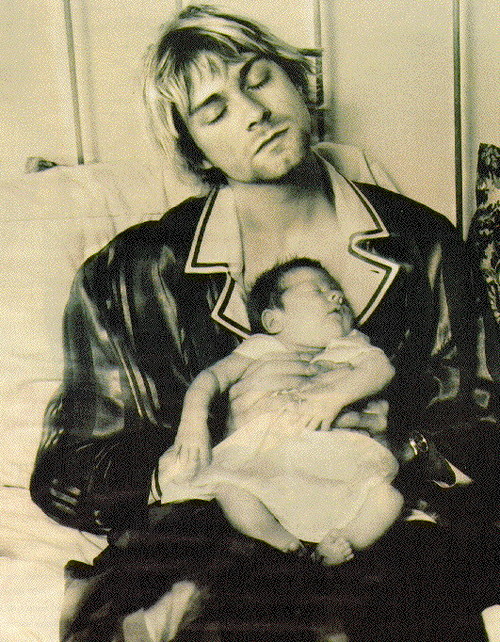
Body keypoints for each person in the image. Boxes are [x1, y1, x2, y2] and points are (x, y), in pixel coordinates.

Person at [29, 5, 498, 640]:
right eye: (214, 111)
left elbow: (484, 414)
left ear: (298, 84)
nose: (254, 112)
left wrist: (403, 446)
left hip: (377, 525)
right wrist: (216, 447)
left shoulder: (423, 242)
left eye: (259, 79)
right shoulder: (129, 272)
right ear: (192, 147)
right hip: (213, 534)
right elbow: (70, 468)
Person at [161, 257, 403, 564]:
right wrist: (193, 420)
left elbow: (381, 369)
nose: (336, 296)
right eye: (318, 290)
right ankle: (279, 539)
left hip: (339, 466)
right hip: (269, 462)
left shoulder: (353, 346)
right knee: (232, 492)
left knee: (388, 499)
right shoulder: (260, 348)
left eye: (337, 291)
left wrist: (333, 398)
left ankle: (342, 541)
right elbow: (211, 378)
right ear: (274, 321)